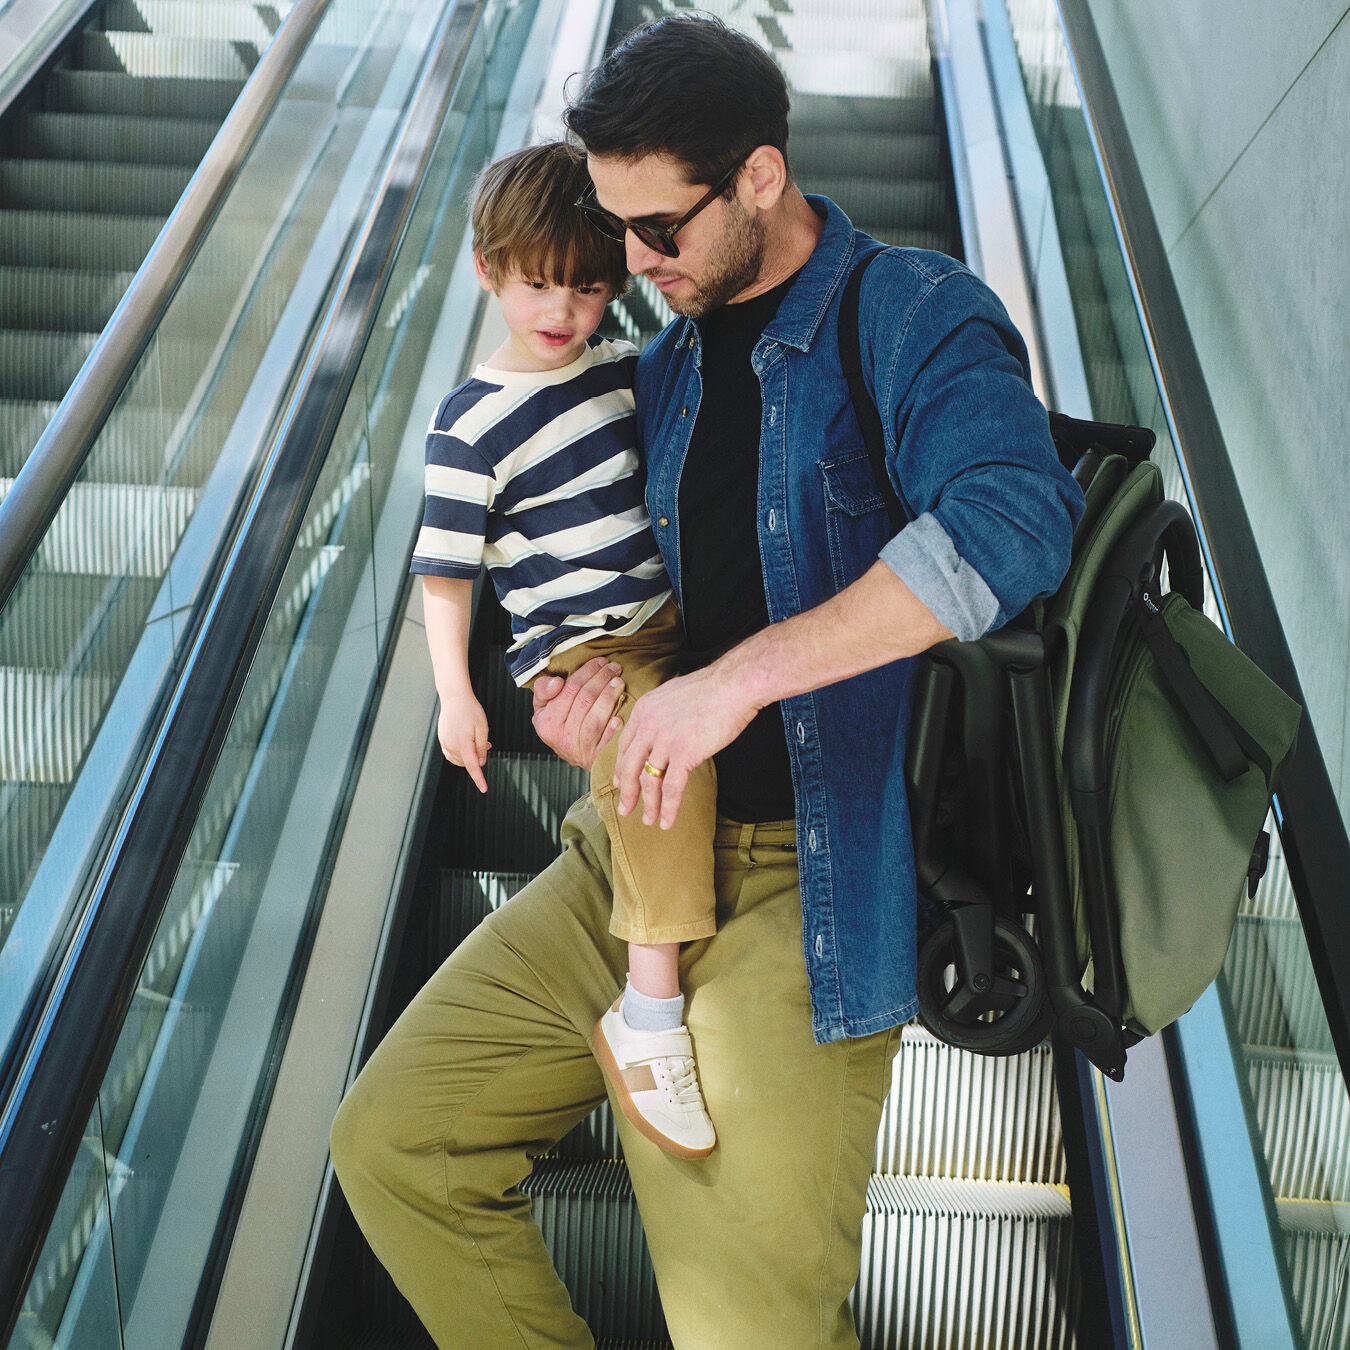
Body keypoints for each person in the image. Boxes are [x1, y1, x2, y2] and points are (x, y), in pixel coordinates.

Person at [331, 14, 1084, 1348]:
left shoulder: (908, 309)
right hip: (621, 857)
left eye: (658, 227)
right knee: (396, 1144)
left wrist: (735, 684)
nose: (630, 263)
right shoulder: (660, 364)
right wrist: (593, 704)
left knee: (750, 1330)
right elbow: (635, 600)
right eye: (614, 229)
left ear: (757, 177)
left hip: (812, 881)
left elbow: (1012, 522)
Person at [409, 140, 717, 1159]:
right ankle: (650, 1005)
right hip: (584, 649)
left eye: (587, 288)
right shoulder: (469, 428)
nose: (563, 312)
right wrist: (456, 695)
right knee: (660, 756)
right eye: (539, 285)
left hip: (668, 614)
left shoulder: (624, 373)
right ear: (488, 269)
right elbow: (445, 576)